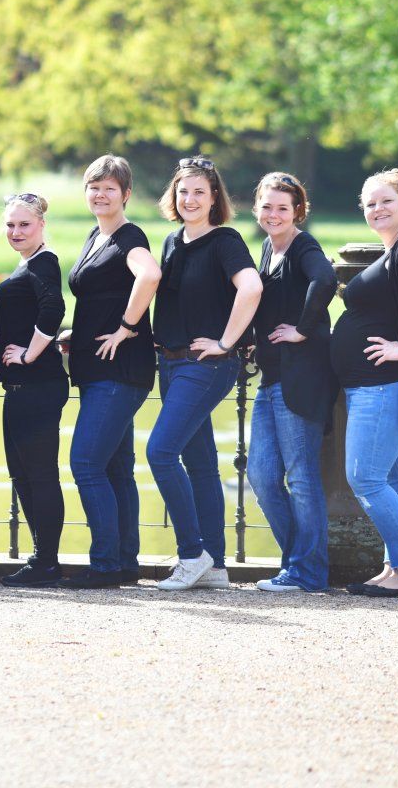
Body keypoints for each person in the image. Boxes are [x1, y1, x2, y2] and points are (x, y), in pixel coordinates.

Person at [148, 156, 262, 591]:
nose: (190, 199)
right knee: (199, 464)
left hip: (207, 365)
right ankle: (214, 565)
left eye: (199, 191)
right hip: (170, 362)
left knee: (159, 452)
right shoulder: (173, 242)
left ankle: (191, 552)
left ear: (215, 197)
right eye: (183, 191)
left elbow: (251, 287)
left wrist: (226, 342)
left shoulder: (225, 241)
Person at [331, 168, 398, 598]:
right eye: (370, 203)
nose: (377, 209)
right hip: (374, 386)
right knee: (396, 481)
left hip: (379, 385)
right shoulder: (392, 251)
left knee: (366, 479)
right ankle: (397, 565)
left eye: (386, 201)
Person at [59, 155, 160, 589]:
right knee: (116, 467)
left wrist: (126, 327)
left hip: (121, 369)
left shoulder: (129, 236)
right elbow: (98, 295)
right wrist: (74, 333)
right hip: (95, 367)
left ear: (126, 194)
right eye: (93, 187)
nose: (100, 194)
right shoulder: (95, 237)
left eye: (109, 188)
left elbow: (149, 276)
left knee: (84, 461)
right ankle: (124, 563)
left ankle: (104, 565)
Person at [247, 171, 338, 593]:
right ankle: (296, 562)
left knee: (301, 477)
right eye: (267, 206)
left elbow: (326, 280)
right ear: (256, 209)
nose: (273, 214)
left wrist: (302, 328)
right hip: (271, 378)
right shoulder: (268, 248)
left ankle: (309, 572)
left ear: (297, 211)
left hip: (301, 378)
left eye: (283, 207)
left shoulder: (304, 247)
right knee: (262, 476)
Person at [0, 192, 68, 588]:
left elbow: (54, 309)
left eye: (24, 224)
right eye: (10, 225)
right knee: (22, 474)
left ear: (41, 226)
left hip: (38, 384)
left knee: (39, 474)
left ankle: (46, 562)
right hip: (21, 387)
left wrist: (29, 353)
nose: (16, 231)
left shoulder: (44, 262)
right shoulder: (28, 265)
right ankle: (41, 560)